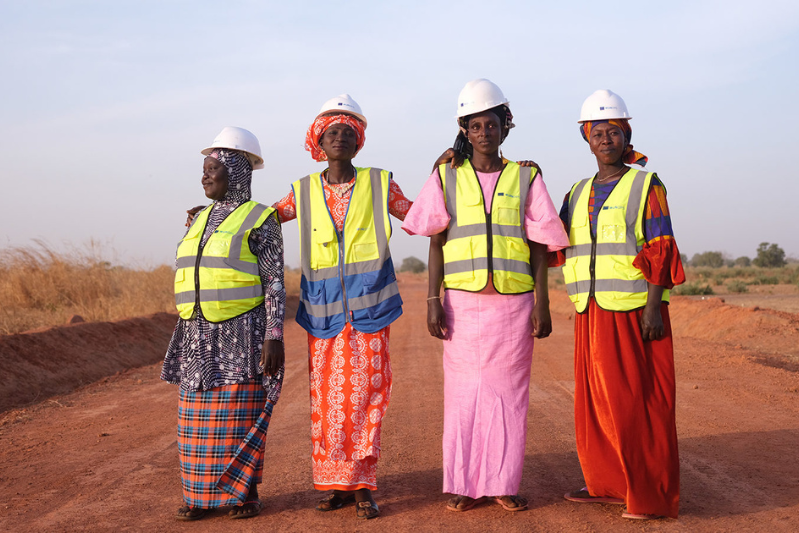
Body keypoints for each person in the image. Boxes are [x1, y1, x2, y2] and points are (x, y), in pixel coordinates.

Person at [401, 79, 570, 512]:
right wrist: (432, 299)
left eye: (491, 124)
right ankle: (462, 484)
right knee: (463, 396)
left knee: (509, 395)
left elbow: (540, 243)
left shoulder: (526, 176)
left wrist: (543, 302)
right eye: (475, 126)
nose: (484, 132)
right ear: (465, 130)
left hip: (513, 303)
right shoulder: (446, 175)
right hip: (461, 303)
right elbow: (435, 241)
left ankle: (502, 483)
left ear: (505, 126)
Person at [272, 94, 412, 519]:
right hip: (324, 315)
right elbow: (263, 219)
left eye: (348, 133)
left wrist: (449, 172)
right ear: (319, 141)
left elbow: (420, 214)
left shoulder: (380, 183)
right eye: (332, 132)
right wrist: (215, 214)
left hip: (371, 314)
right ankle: (335, 483)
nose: (340, 138)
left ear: (359, 141)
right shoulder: (303, 192)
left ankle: (363, 485)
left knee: (368, 398)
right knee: (329, 403)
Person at [558, 90, 685, 520]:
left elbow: (661, 246)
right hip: (589, 311)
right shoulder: (576, 191)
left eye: (614, 131)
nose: (606, 139)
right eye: (598, 133)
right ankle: (609, 484)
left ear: (626, 134)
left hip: (633, 312)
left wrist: (654, 306)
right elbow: (551, 239)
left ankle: (649, 496)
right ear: (586, 139)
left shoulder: (646, 184)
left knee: (637, 403)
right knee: (596, 404)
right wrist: (525, 178)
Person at [161, 127, 286, 521]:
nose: (204, 176)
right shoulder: (197, 219)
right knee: (194, 419)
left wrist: (274, 335)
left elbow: (275, 282)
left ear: (235, 172)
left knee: (237, 416)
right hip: (197, 335)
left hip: (241, 335)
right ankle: (198, 496)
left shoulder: (261, 219)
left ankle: (244, 493)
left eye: (213, 168)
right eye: (203, 169)